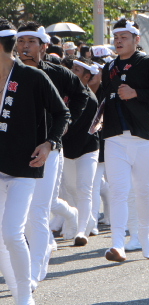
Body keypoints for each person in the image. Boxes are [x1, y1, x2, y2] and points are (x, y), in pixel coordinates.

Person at [0, 20, 69, 305]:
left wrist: (49, 142)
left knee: (12, 232)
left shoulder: (32, 77)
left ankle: (25, 295)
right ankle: (20, 294)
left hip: (24, 167)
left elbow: (62, 113)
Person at [17, 23, 89, 284]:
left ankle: (35, 271)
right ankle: (38, 250)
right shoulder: (11, 72)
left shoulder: (57, 73)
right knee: (21, 215)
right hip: (15, 151)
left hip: (49, 149)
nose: (25, 46)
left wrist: (62, 128)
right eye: (21, 41)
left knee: (38, 210)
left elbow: (83, 96)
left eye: (31, 41)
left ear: (44, 46)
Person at [101, 18, 149, 262]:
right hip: (114, 137)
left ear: (136, 39)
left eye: (124, 37)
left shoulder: (147, 63)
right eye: (116, 37)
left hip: (142, 136)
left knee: (143, 190)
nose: (118, 41)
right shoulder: (109, 67)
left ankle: (145, 237)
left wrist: (135, 93)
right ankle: (117, 243)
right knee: (118, 191)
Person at [63, 58, 101, 246]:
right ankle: (86, 220)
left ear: (87, 77)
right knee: (71, 188)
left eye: (77, 70)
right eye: (72, 68)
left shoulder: (89, 99)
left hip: (87, 148)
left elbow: (73, 126)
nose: (72, 71)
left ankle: (81, 231)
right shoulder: (63, 92)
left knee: (84, 189)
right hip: (67, 150)